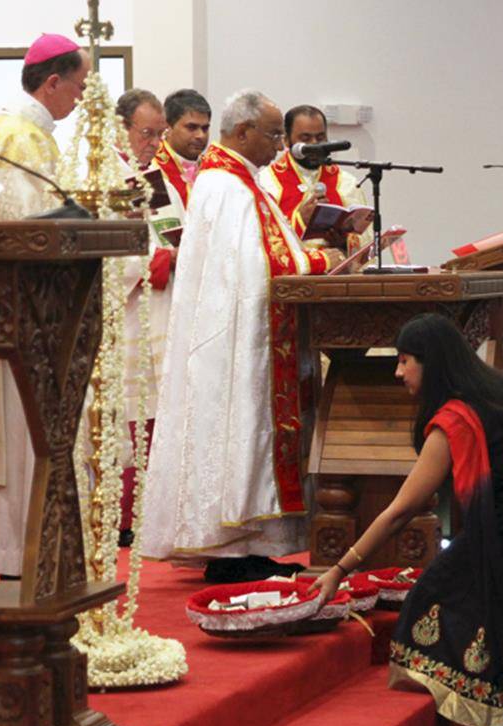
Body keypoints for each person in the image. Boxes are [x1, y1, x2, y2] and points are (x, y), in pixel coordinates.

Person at [311, 314, 503, 726]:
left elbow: (400, 511)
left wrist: (339, 569)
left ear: (432, 363)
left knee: (438, 591)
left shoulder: (455, 418)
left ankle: (499, 719)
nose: (397, 371)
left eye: (405, 361)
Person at [139, 89, 342, 582]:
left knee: (248, 435)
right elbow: (263, 266)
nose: (279, 146)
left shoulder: (236, 181)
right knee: (242, 430)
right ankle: (231, 552)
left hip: (243, 336)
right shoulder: (227, 186)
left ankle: (248, 546)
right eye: (273, 134)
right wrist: (322, 261)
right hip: (238, 345)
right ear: (243, 131)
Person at [0, 34, 90, 576]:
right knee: (24, 434)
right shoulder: (20, 138)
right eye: (78, 88)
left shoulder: (16, 131)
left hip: (21, 314)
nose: (80, 100)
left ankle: (32, 553)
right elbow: (29, 233)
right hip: (26, 315)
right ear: (53, 81)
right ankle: (27, 556)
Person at [110, 87, 178, 543]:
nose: (154, 143)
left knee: (158, 412)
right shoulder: (109, 175)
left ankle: (155, 516)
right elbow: (109, 251)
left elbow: (175, 231)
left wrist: (174, 252)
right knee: (129, 415)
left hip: (161, 312)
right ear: (122, 127)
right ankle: (123, 520)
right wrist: (144, 264)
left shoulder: (155, 176)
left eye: (159, 134)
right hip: (128, 319)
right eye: (147, 133)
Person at [258, 104, 372, 252]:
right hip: (293, 273)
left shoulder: (347, 183)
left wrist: (344, 242)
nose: (314, 145)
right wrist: (300, 220)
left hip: (336, 272)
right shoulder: (266, 182)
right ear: (286, 140)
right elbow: (261, 241)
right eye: (305, 138)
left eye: (320, 137)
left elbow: (366, 245)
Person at [153, 88, 211, 218]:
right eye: (192, 127)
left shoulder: (214, 168)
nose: (200, 135)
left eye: (205, 128)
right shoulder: (151, 169)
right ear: (167, 126)